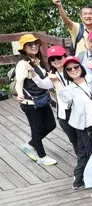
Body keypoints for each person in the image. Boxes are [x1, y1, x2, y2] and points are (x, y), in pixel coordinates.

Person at [51, 56, 92, 204]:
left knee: (88, 151)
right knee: (90, 152)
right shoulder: (69, 88)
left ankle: (80, 177)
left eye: (76, 67)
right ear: (66, 72)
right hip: (84, 125)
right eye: (69, 69)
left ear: (81, 67)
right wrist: (55, 82)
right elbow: (64, 99)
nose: (73, 70)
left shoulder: (91, 80)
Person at [14, 34, 57, 166]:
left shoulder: (37, 61)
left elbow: (43, 82)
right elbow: (19, 81)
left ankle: (30, 145)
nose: (34, 46)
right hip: (30, 103)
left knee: (51, 125)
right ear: (23, 48)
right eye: (30, 44)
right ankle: (41, 156)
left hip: (42, 100)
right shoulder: (23, 63)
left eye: (35, 44)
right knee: (37, 129)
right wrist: (19, 94)